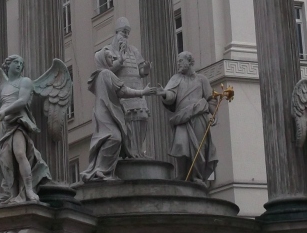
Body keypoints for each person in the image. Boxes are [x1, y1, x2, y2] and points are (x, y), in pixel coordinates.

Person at [82, 48, 159, 181]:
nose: (113, 58)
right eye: (109, 57)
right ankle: (100, 169)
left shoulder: (100, 75)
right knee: (114, 137)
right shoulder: (106, 73)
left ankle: (100, 169)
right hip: (107, 112)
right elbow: (123, 91)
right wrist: (142, 92)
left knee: (110, 138)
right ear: (102, 60)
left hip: (104, 111)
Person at [0, 55, 51, 205]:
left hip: (17, 120)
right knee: (5, 160)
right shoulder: (3, 86)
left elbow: (22, 101)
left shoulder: (25, 81)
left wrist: (5, 112)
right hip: (1, 125)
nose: (19, 65)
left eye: (21, 63)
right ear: (8, 65)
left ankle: (28, 190)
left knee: (20, 153)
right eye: (16, 62)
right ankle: (14, 194)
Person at [159, 51, 218, 184]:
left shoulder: (202, 79)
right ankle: (182, 174)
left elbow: (210, 99)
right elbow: (171, 95)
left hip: (199, 116)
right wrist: (164, 94)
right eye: (178, 61)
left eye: (181, 61)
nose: (178, 64)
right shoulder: (176, 78)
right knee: (180, 144)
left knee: (199, 147)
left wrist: (214, 114)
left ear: (190, 62)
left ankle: (197, 176)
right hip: (182, 118)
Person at [109, 18, 152, 157]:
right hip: (123, 93)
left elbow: (141, 71)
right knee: (127, 121)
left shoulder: (133, 50)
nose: (126, 35)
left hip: (138, 91)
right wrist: (120, 59)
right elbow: (108, 70)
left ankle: (138, 150)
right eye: (123, 32)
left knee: (142, 118)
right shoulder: (110, 50)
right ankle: (131, 152)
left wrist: (146, 69)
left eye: (128, 33)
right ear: (117, 32)